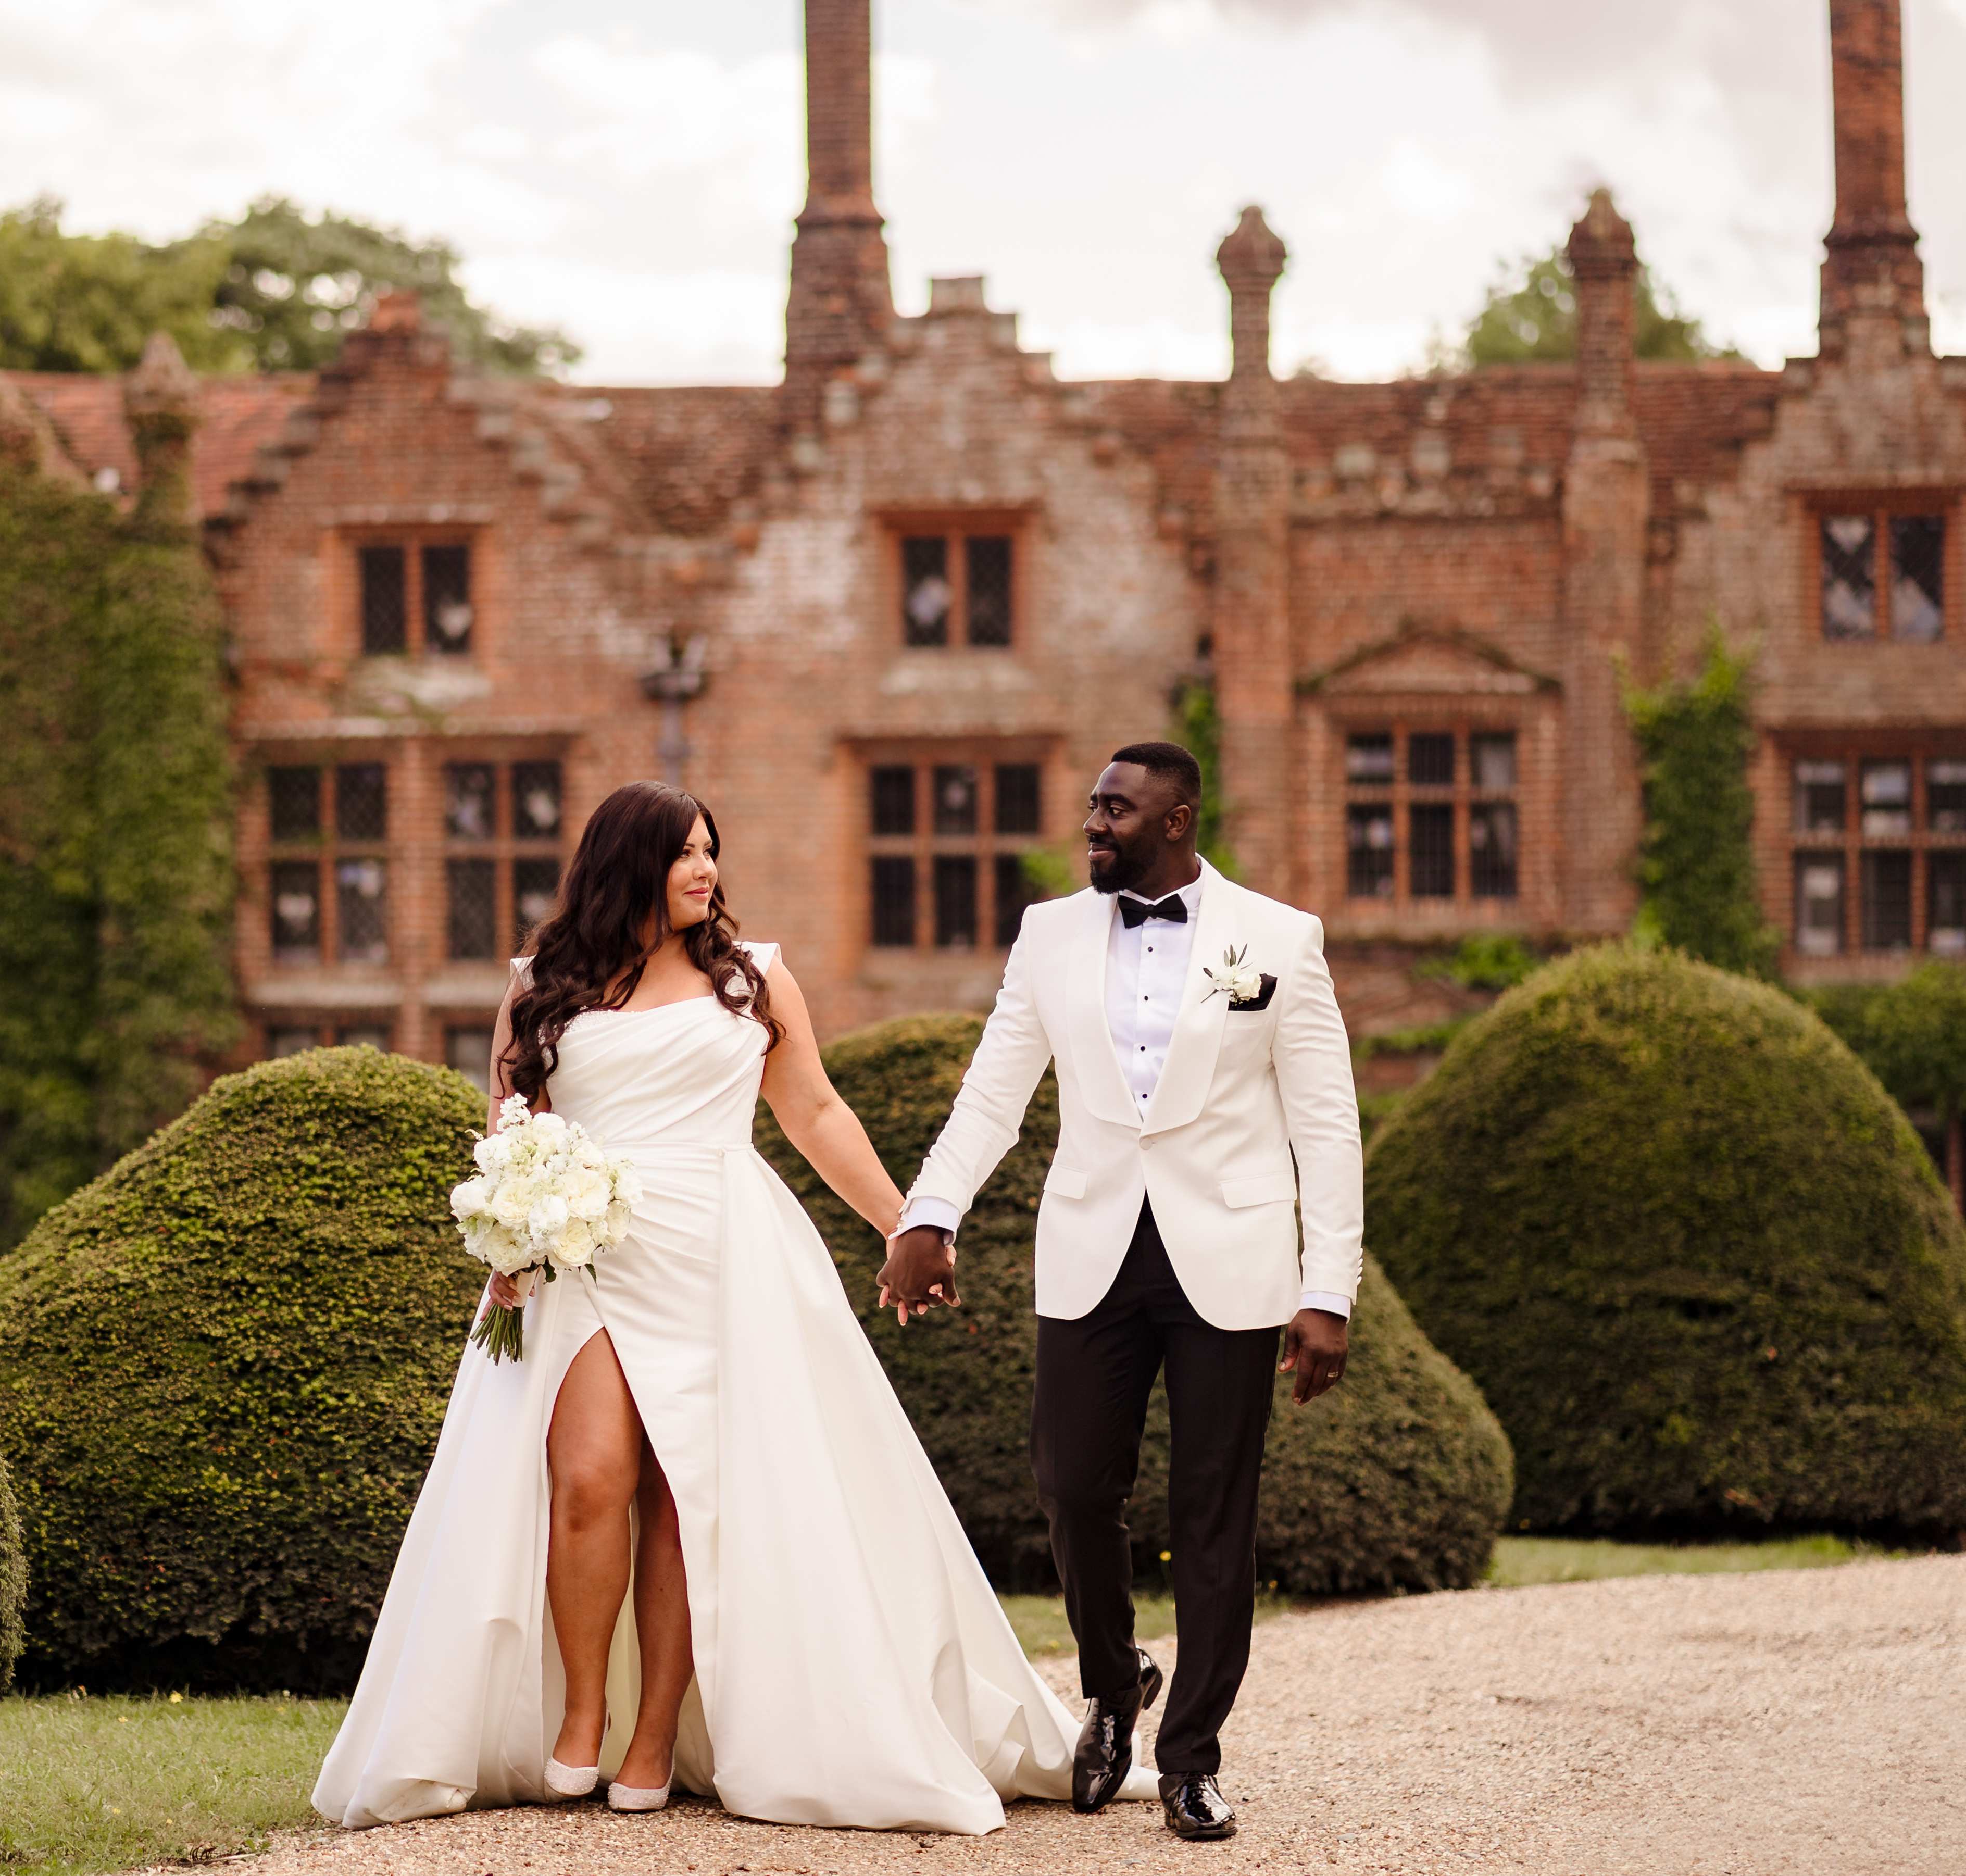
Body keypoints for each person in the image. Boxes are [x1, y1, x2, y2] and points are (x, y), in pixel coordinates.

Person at [312, 780, 1142, 1832]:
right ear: (626, 864)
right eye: (683, 854)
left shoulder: (752, 981)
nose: (705, 870)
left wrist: (909, 1223)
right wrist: (511, 1225)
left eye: (711, 850)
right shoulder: (541, 984)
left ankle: (654, 1737)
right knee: (587, 1477)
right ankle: (581, 1714)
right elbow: (508, 1120)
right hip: (582, 1254)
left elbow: (815, 1110)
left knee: (682, 1490)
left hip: (717, 1246)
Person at [881, 741, 1364, 1844]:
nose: (1093, 825)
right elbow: (993, 1091)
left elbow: (1325, 1124)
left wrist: (1325, 1287)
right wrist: (927, 1212)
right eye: (1091, 808)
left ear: (1177, 818)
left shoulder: (1278, 939)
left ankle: (1190, 1758)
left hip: (1233, 1263)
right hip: (1090, 1248)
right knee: (1069, 1483)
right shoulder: (1048, 934)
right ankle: (1112, 1683)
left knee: (1212, 1516)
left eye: (1115, 810)